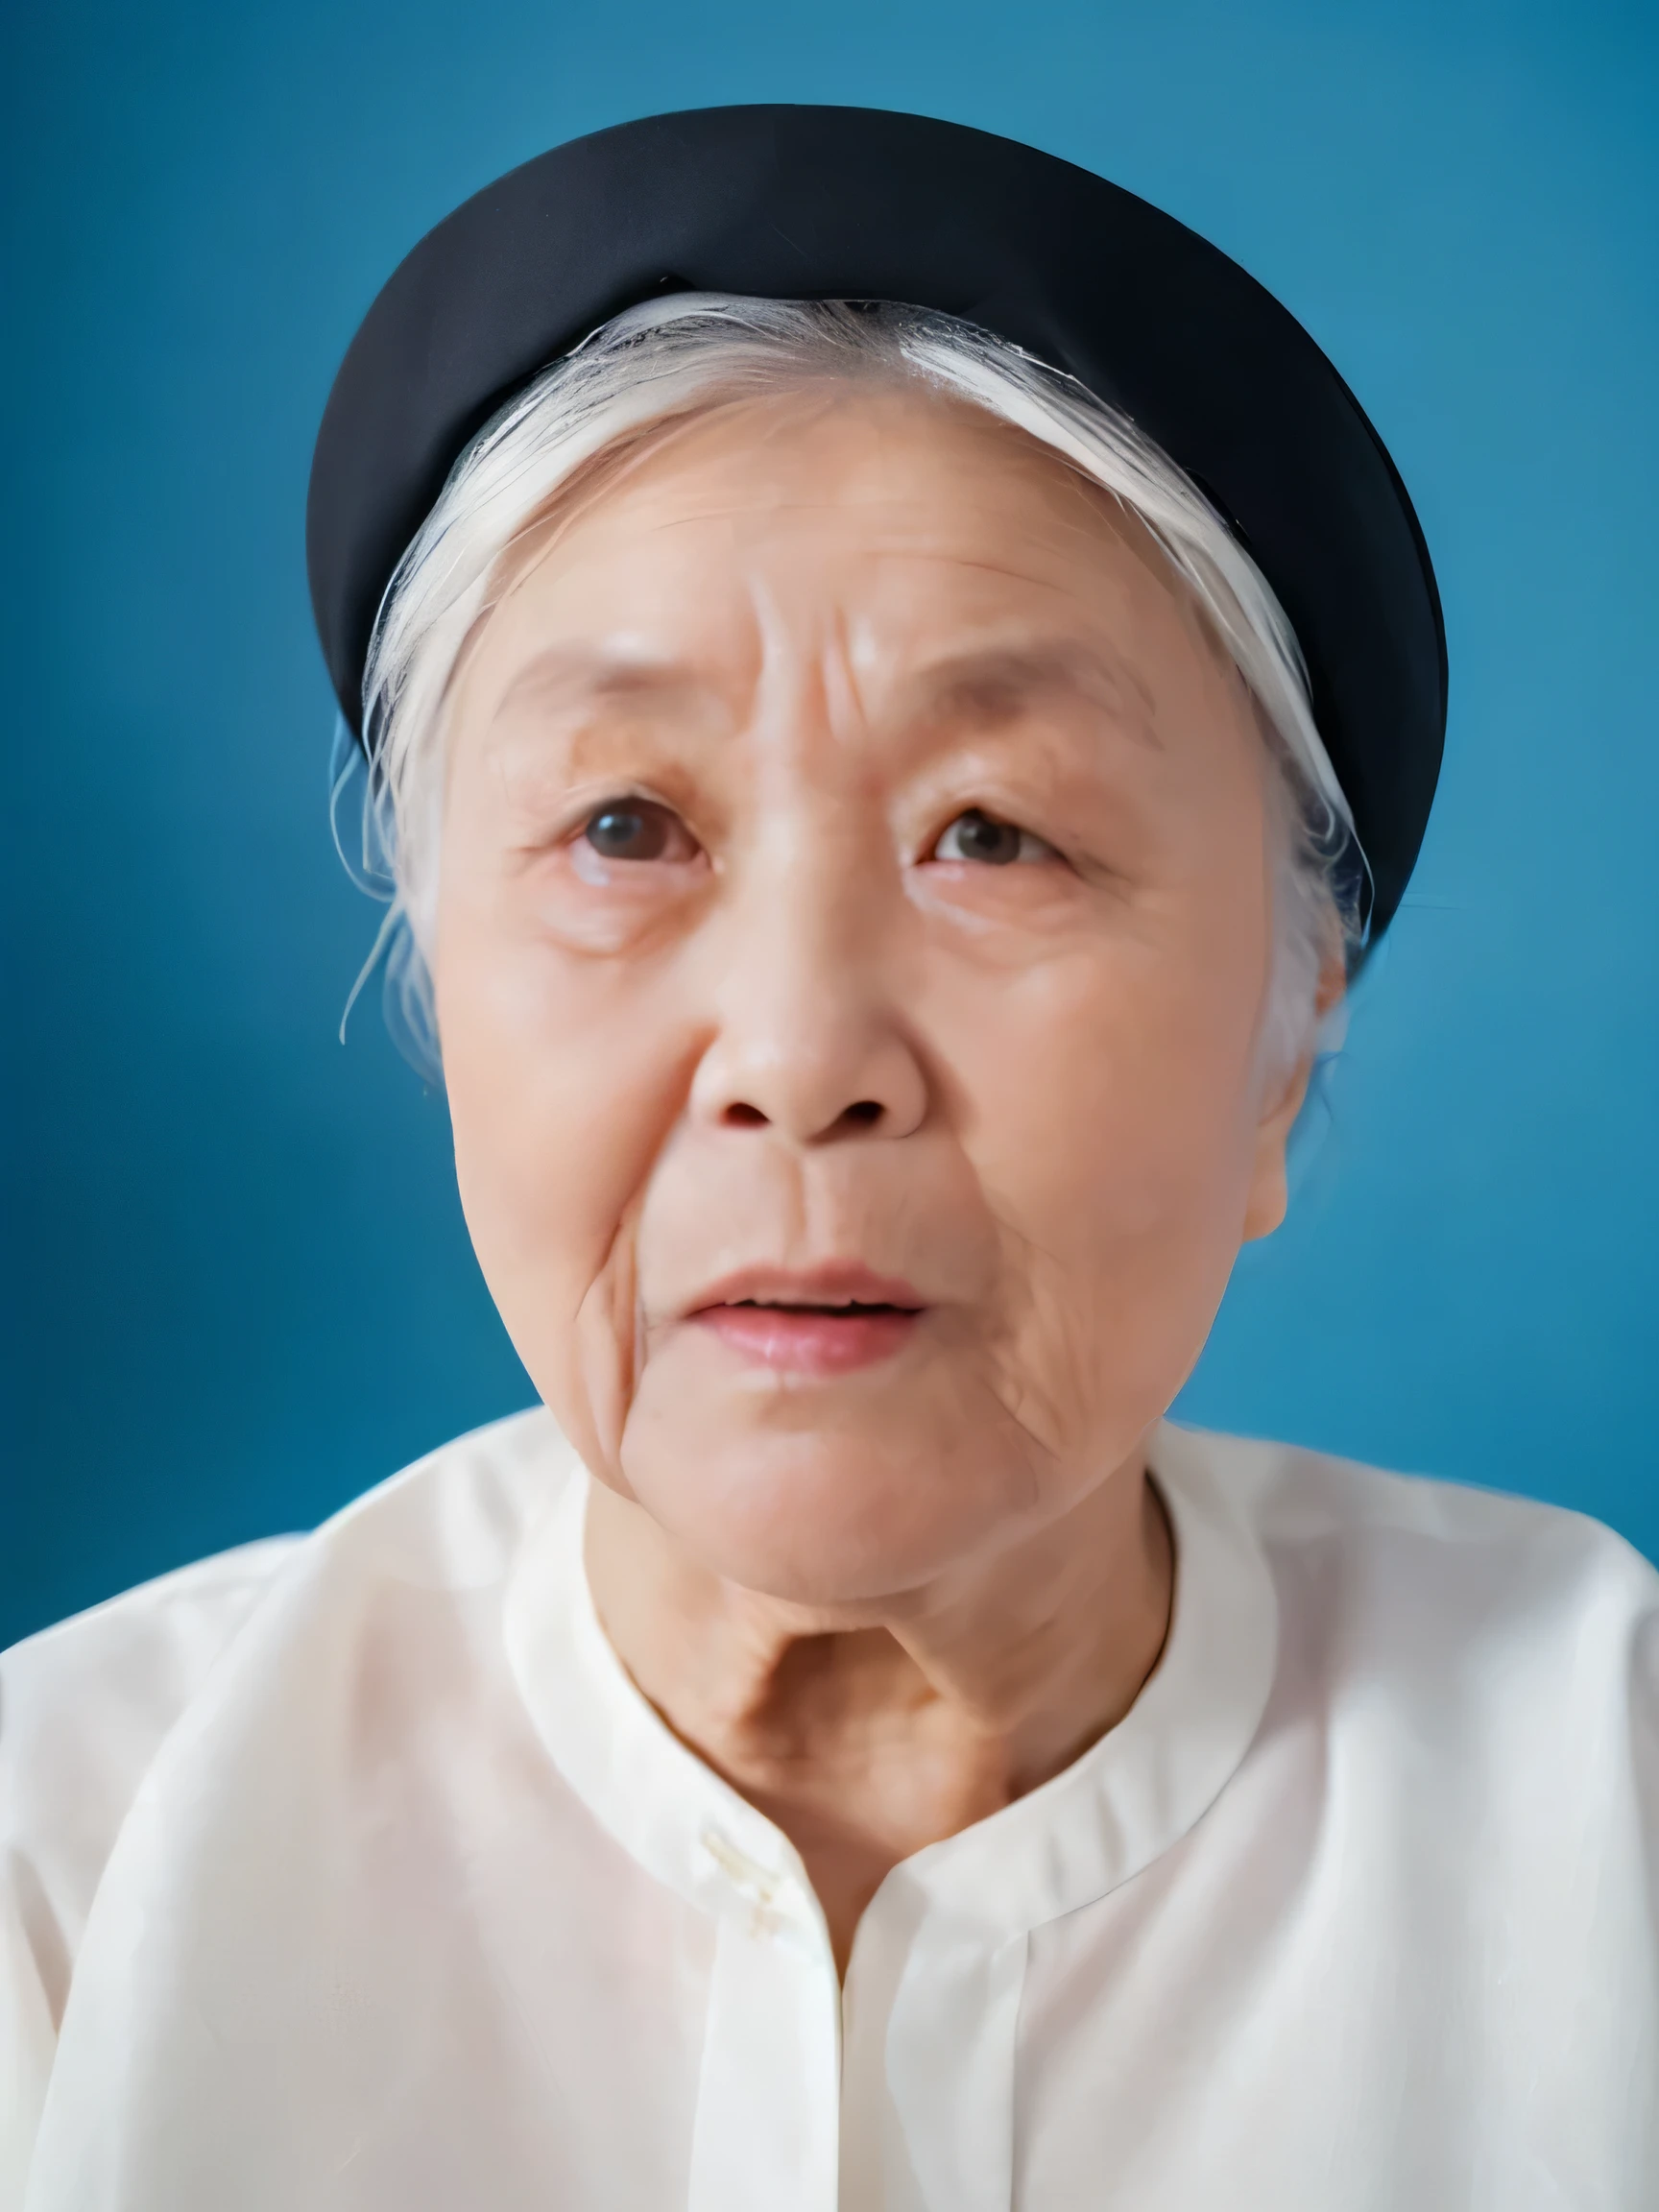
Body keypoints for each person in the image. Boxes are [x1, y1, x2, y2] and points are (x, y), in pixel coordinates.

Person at [2, 108, 1653, 2211]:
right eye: (625, 830)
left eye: (994, 832)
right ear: (443, 999)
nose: (796, 1059)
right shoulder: (60, 1866)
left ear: (1288, 1041)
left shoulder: (1613, 1815)